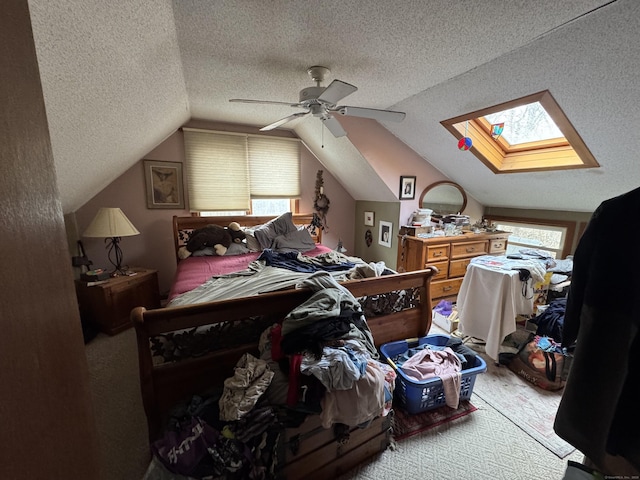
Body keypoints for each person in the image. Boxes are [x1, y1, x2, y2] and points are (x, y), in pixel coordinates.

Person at [554, 186, 640, 477]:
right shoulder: (617, 211)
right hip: (614, 336)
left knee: (601, 434)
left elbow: (579, 278)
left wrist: (570, 332)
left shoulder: (618, 211)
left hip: (610, 338)